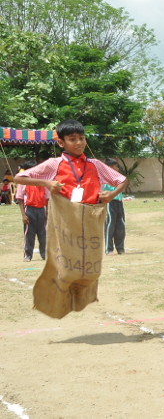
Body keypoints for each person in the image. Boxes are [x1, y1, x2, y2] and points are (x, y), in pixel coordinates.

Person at [13, 119, 127, 318]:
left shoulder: (95, 164)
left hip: (90, 221)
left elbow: (122, 180)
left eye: (81, 138)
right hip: (65, 221)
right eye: (72, 139)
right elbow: (19, 178)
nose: (79, 143)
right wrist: (47, 184)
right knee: (65, 268)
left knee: (90, 270)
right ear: (61, 143)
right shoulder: (54, 164)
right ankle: (54, 301)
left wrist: (110, 195)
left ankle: (81, 298)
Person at [15, 160, 49, 261]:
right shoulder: (23, 182)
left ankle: (44, 254)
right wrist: (23, 215)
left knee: (42, 234)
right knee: (29, 233)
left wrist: (47, 213)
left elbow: (47, 198)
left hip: (40, 210)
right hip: (29, 209)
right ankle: (28, 255)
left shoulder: (42, 182)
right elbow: (20, 199)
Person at [102, 158, 126, 255]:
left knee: (121, 224)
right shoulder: (104, 178)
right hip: (110, 202)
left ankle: (120, 248)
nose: (117, 169)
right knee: (110, 224)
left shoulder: (119, 177)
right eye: (116, 166)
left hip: (119, 202)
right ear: (110, 167)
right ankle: (109, 249)